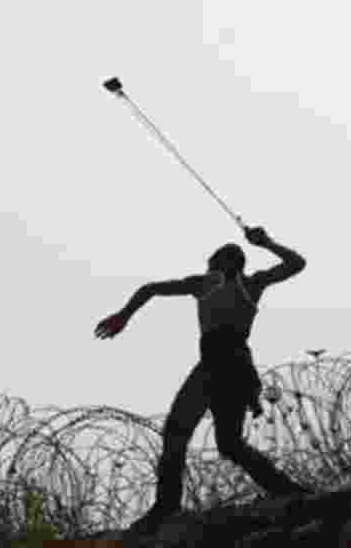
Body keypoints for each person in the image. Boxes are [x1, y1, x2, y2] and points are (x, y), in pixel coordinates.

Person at [94, 226, 310, 536]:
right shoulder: (253, 284)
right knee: (227, 443)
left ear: (216, 265)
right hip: (235, 365)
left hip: (218, 365)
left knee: (180, 433)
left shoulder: (210, 283)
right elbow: (296, 264)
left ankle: (167, 507)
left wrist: (124, 315)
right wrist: (268, 244)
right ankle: (287, 491)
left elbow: (150, 289)